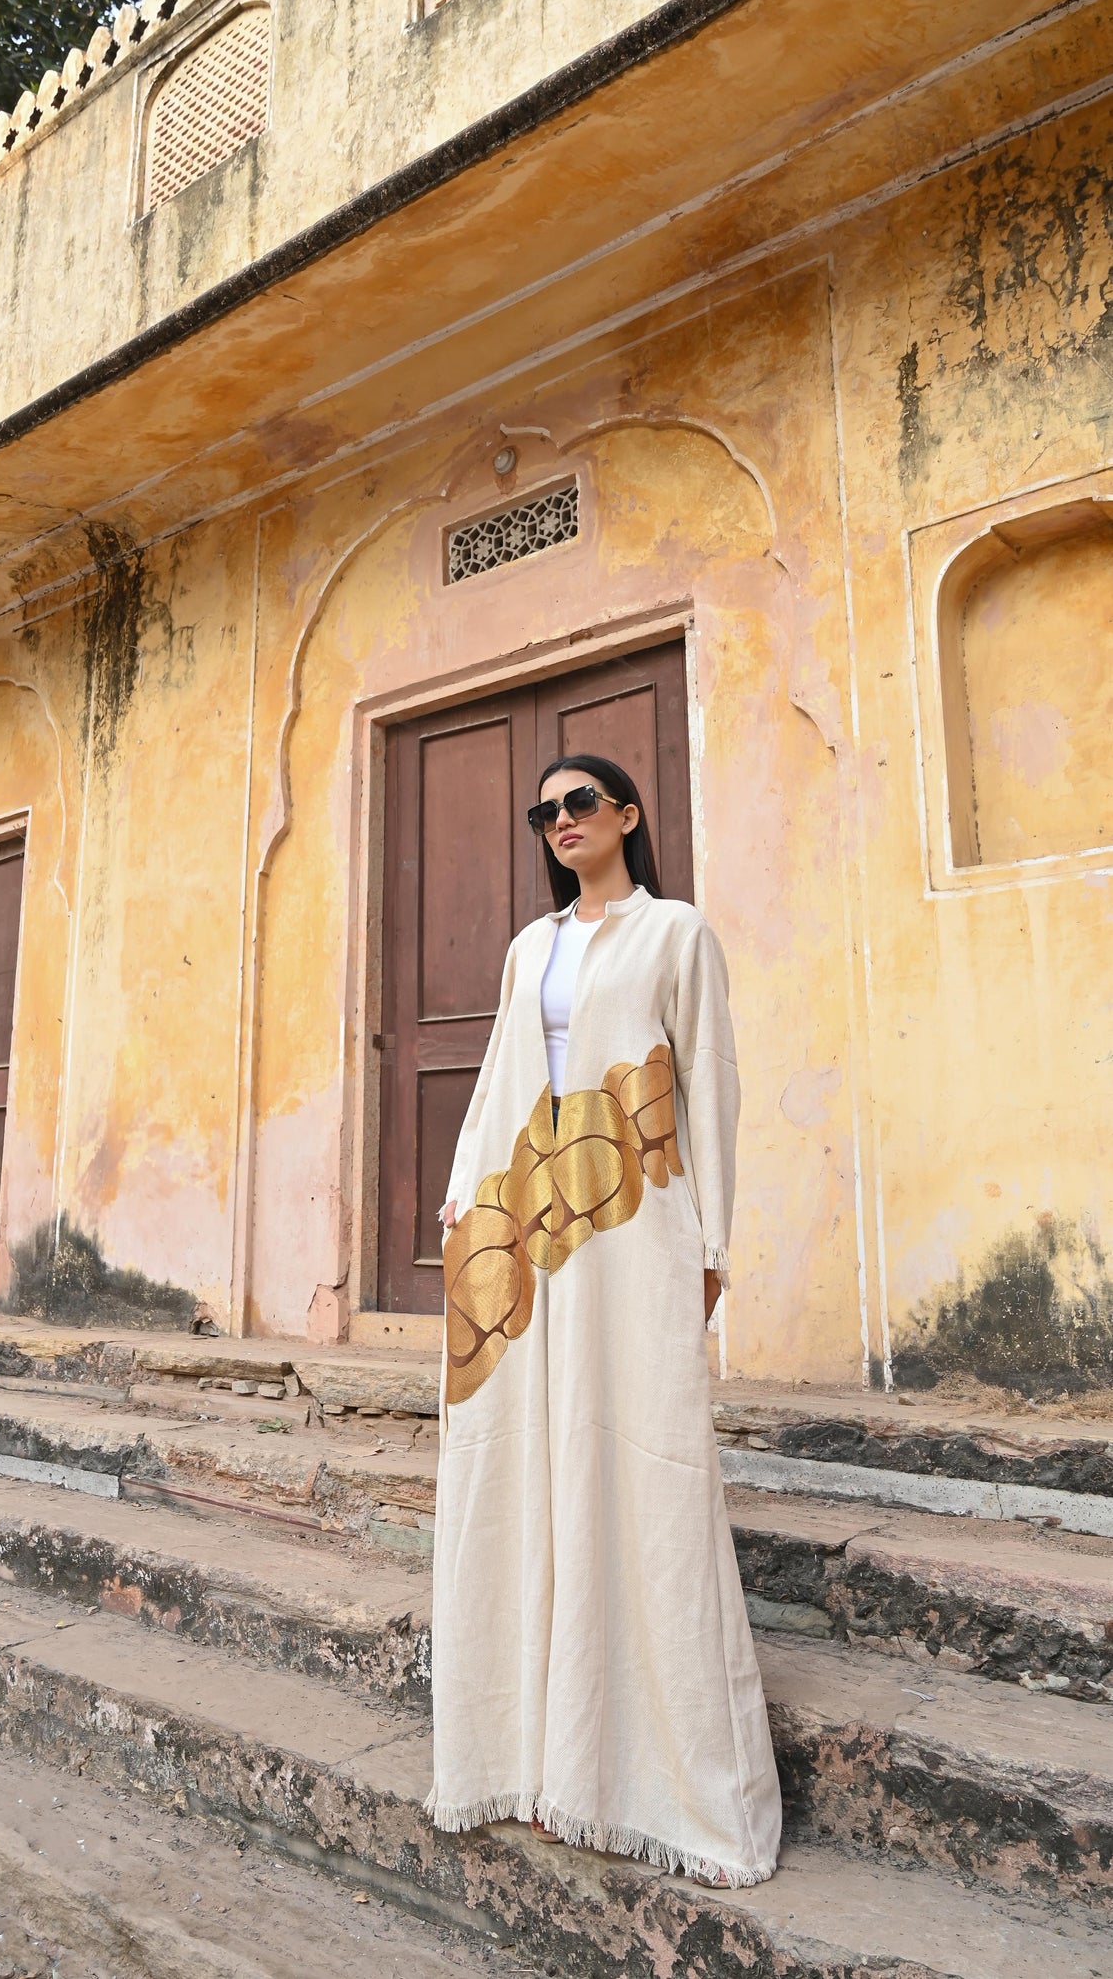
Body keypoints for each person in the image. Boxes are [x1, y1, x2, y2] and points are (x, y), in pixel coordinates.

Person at [426, 751, 781, 1887]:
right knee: (522, 1466)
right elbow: (495, 1082)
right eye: (544, 811)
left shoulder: (677, 934)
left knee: (642, 1470)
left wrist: (711, 1243)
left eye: (580, 802)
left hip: (636, 1229)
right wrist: (462, 1208)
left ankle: (654, 1780)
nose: (560, 821)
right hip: (527, 1223)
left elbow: (707, 1082)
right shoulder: (532, 947)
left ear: (626, 814)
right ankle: (536, 1760)